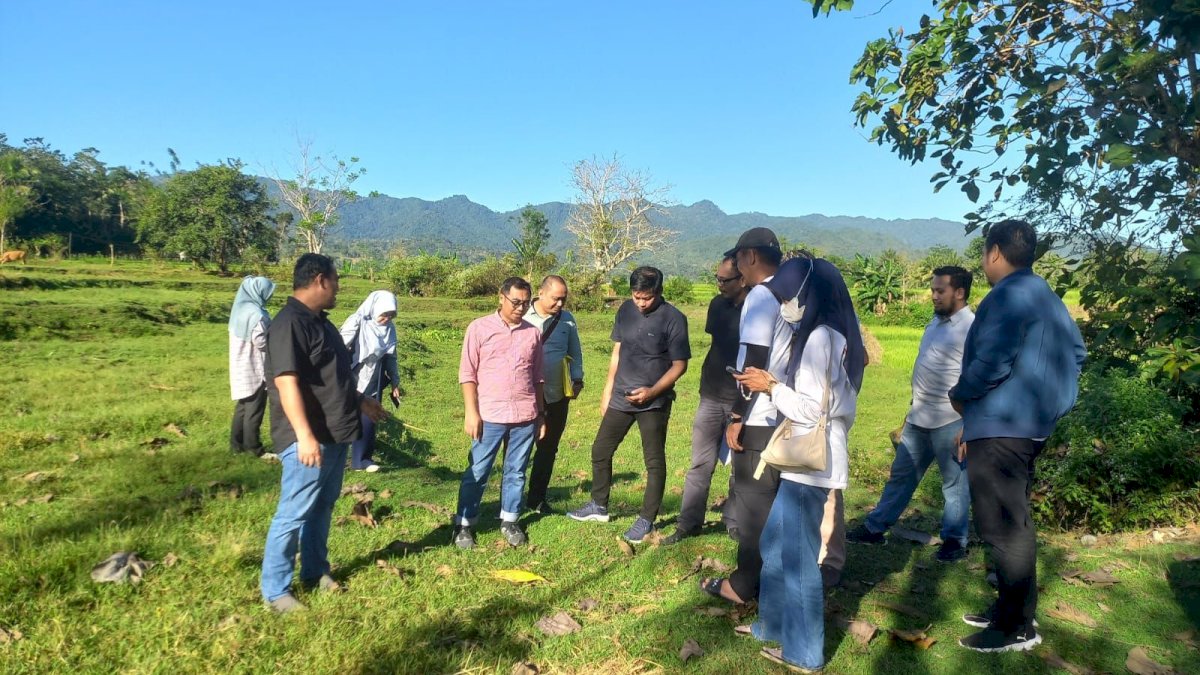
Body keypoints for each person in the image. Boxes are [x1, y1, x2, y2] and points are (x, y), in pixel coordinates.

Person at [950, 220, 1085, 653]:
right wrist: (1052, 405)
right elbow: (1077, 353)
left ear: (993, 252)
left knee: (1003, 527)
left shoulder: (1006, 297)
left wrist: (961, 396)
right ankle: (1012, 609)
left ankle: (1014, 628)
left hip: (1002, 426)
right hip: (1027, 427)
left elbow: (993, 361)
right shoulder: (1045, 295)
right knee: (1013, 522)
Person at [731, 256, 866, 673]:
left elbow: (810, 409)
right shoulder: (832, 335)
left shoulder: (821, 338)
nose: (786, 303)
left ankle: (805, 651)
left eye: (791, 295)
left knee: (800, 559)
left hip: (812, 464)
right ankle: (772, 624)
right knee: (774, 545)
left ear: (810, 293)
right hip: (806, 462)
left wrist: (769, 386)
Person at [260, 254, 388, 614]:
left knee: (322, 507)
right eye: (336, 281)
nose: (338, 288)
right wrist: (304, 435)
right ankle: (276, 591)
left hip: (335, 432)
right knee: (294, 512)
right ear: (319, 280)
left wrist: (362, 401)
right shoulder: (289, 324)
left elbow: (335, 377)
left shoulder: (323, 324)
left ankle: (316, 570)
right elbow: (286, 383)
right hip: (308, 438)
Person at [847, 266, 975, 563]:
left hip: (951, 421)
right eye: (932, 290)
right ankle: (875, 527)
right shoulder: (935, 322)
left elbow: (977, 380)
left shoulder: (972, 328)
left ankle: (955, 541)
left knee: (954, 485)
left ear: (959, 292)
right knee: (900, 477)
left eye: (939, 291)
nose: (933, 296)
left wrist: (969, 425)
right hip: (919, 417)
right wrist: (910, 411)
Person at [568, 266, 690, 543]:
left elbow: (679, 365)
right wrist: (607, 391)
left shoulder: (673, 318)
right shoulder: (625, 310)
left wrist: (652, 391)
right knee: (601, 449)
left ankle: (646, 518)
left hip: (654, 402)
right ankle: (598, 505)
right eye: (637, 297)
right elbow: (618, 351)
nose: (641, 303)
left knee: (654, 461)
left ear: (658, 292)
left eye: (646, 298)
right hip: (621, 396)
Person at [701, 227, 789, 603]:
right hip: (788, 413)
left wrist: (738, 415)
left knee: (754, 506)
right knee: (778, 504)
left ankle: (743, 586)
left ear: (750, 257)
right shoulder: (794, 295)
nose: (736, 266)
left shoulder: (761, 298)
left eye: (737, 259)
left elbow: (754, 361)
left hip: (760, 418)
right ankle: (777, 579)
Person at [453, 277, 546, 549]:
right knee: (478, 470)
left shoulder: (532, 333)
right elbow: (467, 373)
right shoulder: (479, 328)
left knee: (516, 471)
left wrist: (540, 415)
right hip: (490, 414)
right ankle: (464, 524)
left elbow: (538, 377)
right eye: (515, 302)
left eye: (525, 303)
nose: (520, 308)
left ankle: (510, 519)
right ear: (501, 298)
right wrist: (471, 412)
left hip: (525, 415)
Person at [664, 255, 746, 544]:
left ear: (743, 279)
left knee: (740, 466)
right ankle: (688, 522)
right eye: (717, 278)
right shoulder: (717, 305)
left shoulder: (757, 310)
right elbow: (717, 344)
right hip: (711, 394)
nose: (719, 285)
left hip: (743, 401)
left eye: (725, 280)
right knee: (700, 462)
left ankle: (734, 523)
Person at [522, 275, 584, 514]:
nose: (560, 304)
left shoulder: (567, 320)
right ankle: (511, 500)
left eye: (563, 299)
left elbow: (575, 351)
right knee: (520, 447)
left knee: (548, 448)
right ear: (540, 293)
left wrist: (577, 378)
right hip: (526, 395)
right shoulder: (523, 316)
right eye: (555, 299)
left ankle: (537, 498)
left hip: (557, 393)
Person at [339, 290, 402, 473]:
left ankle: (362, 459)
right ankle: (337, 454)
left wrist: (395, 382)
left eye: (391, 315)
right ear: (375, 309)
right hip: (352, 373)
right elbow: (340, 346)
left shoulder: (390, 329)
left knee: (369, 416)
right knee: (343, 413)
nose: (387, 319)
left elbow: (391, 357)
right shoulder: (357, 321)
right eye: (384, 314)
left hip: (374, 376)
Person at [229, 275, 275, 457]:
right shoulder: (257, 314)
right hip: (255, 365)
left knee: (243, 406)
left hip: (240, 364)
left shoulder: (239, 310)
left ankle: (235, 445)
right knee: (254, 409)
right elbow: (260, 342)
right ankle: (254, 448)